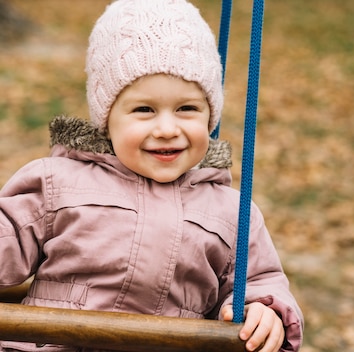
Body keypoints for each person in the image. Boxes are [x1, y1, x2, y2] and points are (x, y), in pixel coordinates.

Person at [0, 0, 303, 351]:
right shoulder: (56, 184)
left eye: (187, 109)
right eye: (144, 109)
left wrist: (264, 311)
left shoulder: (231, 212)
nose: (166, 128)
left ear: (210, 115)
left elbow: (259, 279)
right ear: (107, 120)